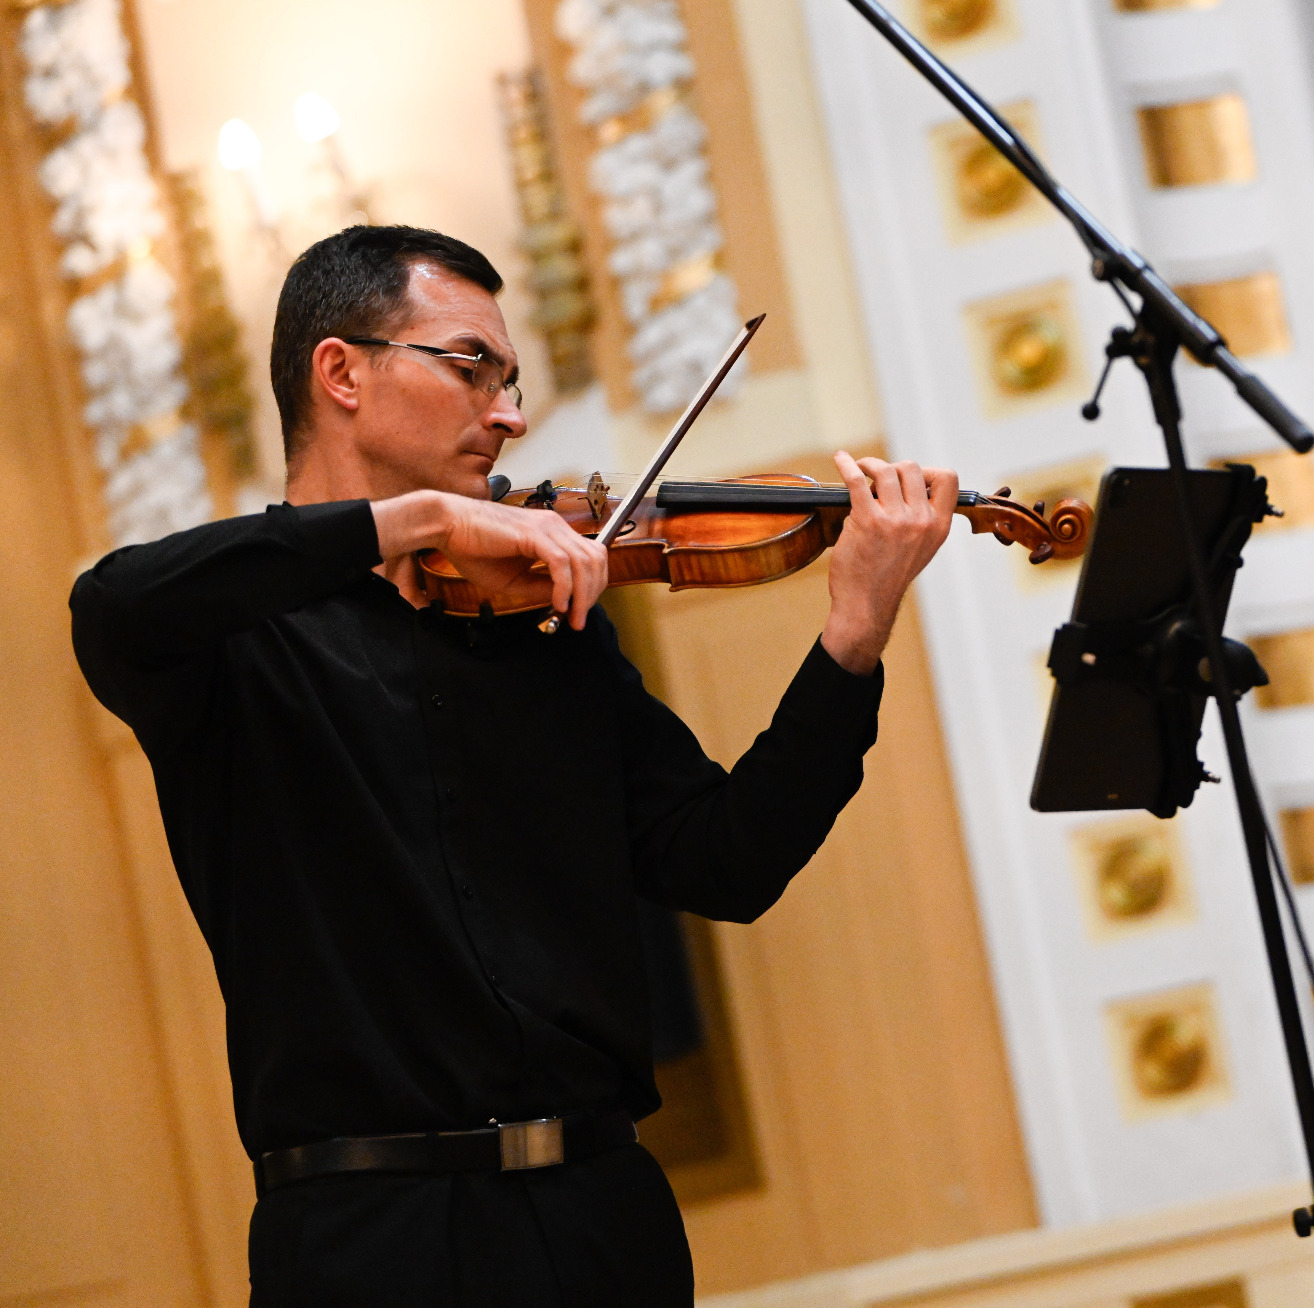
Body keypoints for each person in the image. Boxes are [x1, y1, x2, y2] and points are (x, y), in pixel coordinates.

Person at [69, 225, 958, 1306]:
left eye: (514, 379)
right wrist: (416, 519)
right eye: (471, 366)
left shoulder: (550, 627)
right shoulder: (229, 640)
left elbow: (728, 861)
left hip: (599, 1221)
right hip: (365, 1243)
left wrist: (853, 636)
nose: (511, 412)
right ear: (340, 372)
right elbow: (112, 602)